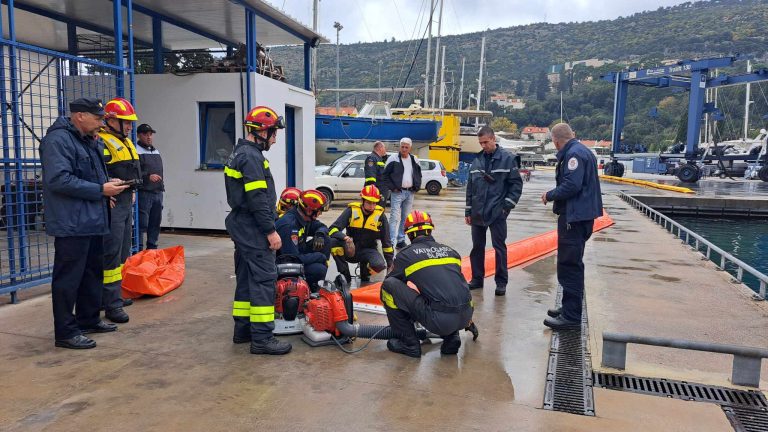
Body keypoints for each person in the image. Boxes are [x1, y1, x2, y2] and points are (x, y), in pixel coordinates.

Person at [39, 97, 129, 349]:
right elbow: (59, 180)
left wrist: (106, 192)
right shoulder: (58, 141)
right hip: (72, 222)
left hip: (92, 218)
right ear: (80, 116)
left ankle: (89, 319)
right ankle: (66, 332)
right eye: (98, 118)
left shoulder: (88, 140)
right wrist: (100, 190)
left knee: (92, 273)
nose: (102, 122)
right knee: (68, 279)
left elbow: (91, 176)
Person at [225, 105, 290, 354]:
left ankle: (242, 331)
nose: (274, 140)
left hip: (241, 225)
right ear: (261, 131)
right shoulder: (251, 157)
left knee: (245, 278)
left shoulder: (239, 152)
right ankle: (262, 339)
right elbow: (258, 199)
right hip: (253, 227)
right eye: (273, 134)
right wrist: (270, 231)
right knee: (264, 279)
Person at [381, 210, 474, 358]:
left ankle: (410, 344)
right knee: (446, 290)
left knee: (388, 287)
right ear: (430, 230)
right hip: (466, 315)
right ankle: (452, 338)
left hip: (439, 321)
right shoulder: (451, 252)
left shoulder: (406, 255)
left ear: (409, 234)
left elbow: (394, 283)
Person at [540, 123, 603, 331]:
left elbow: (571, 185)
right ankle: (569, 307)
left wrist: (549, 195)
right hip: (581, 217)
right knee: (572, 264)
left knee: (569, 266)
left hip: (573, 219)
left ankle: (571, 317)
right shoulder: (583, 150)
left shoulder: (573, 155)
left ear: (556, 141)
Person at [465, 126, 524, 296]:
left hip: (497, 213)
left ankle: (501, 282)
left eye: (486, 142)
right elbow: (470, 188)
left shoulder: (507, 159)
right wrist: (468, 212)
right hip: (477, 212)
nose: (483, 145)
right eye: (481, 143)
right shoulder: (476, 161)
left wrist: (506, 207)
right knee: (477, 248)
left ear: (493, 139)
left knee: (499, 248)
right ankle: (477, 279)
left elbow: (516, 185)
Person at [99, 97, 143, 324]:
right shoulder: (101, 142)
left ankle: (112, 296)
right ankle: (110, 304)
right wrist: (102, 195)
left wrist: (131, 190)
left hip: (125, 200)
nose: (129, 126)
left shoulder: (122, 141)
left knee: (123, 250)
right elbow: (95, 172)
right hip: (112, 204)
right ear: (111, 121)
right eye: (125, 122)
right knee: (111, 253)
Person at [328, 185, 394, 284]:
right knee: (333, 243)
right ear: (362, 200)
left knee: (379, 265)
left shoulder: (381, 216)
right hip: (350, 248)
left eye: (374, 203)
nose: (372, 206)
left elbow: (386, 242)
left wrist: (390, 263)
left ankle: (365, 273)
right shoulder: (351, 211)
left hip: (369, 250)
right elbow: (332, 229)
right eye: (368, 202)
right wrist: (344, 238)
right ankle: (345, 274)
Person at [274, 189, 331, 290]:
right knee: (319, 269)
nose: (320, 214)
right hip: (285, 264)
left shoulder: (304, 216)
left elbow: (322, 226)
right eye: (318, 212)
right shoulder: (289, 225)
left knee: (325, 239)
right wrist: (319, 257)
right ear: (309, 210)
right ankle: (304, 291)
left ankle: (313, 285)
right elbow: (293, 258)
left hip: (297, 254)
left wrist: (320, 234)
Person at [383, 137, 421, 249]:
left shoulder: (414, 159)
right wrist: (393, 188)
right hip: (397, 192)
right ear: (400, 147)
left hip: (410, 192)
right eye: (402, 147)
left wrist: (416, 186)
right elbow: (385, 176)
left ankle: (400, 240)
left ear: (410, 148)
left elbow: (418, 174)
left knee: (405, 217)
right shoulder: (393, 159)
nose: (404, 149)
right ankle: (390, 241)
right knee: (394, 217)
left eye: (406, 147)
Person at [136, 123, 164, 250]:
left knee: (155, 223)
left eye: (150, 134)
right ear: (138, 135)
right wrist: (147, 177)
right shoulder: (136, 150)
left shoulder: (155, 150)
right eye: (145, 134)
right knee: (142, 223)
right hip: (144, 192)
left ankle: (152, 249)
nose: (149, 137)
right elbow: (135, 172)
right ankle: (139, 248)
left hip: (158, 192)